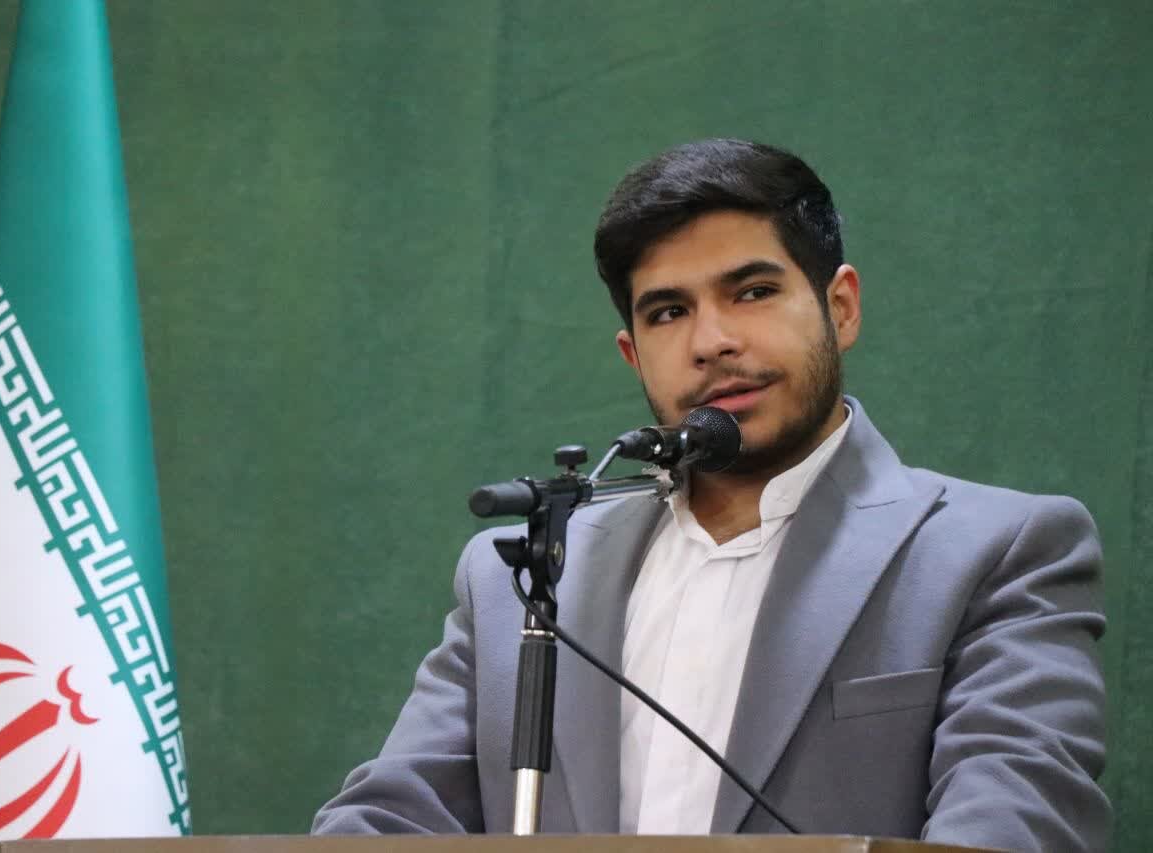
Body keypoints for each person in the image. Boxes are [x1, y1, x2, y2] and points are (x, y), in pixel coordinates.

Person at [311, 138, 1110, 850]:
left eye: (752, 291)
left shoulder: (998, 552)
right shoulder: (518, 577)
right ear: (633, 353)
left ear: (840, 307)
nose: (712, 341)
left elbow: (1017, 822)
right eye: (668, 311)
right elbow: (384, 822)